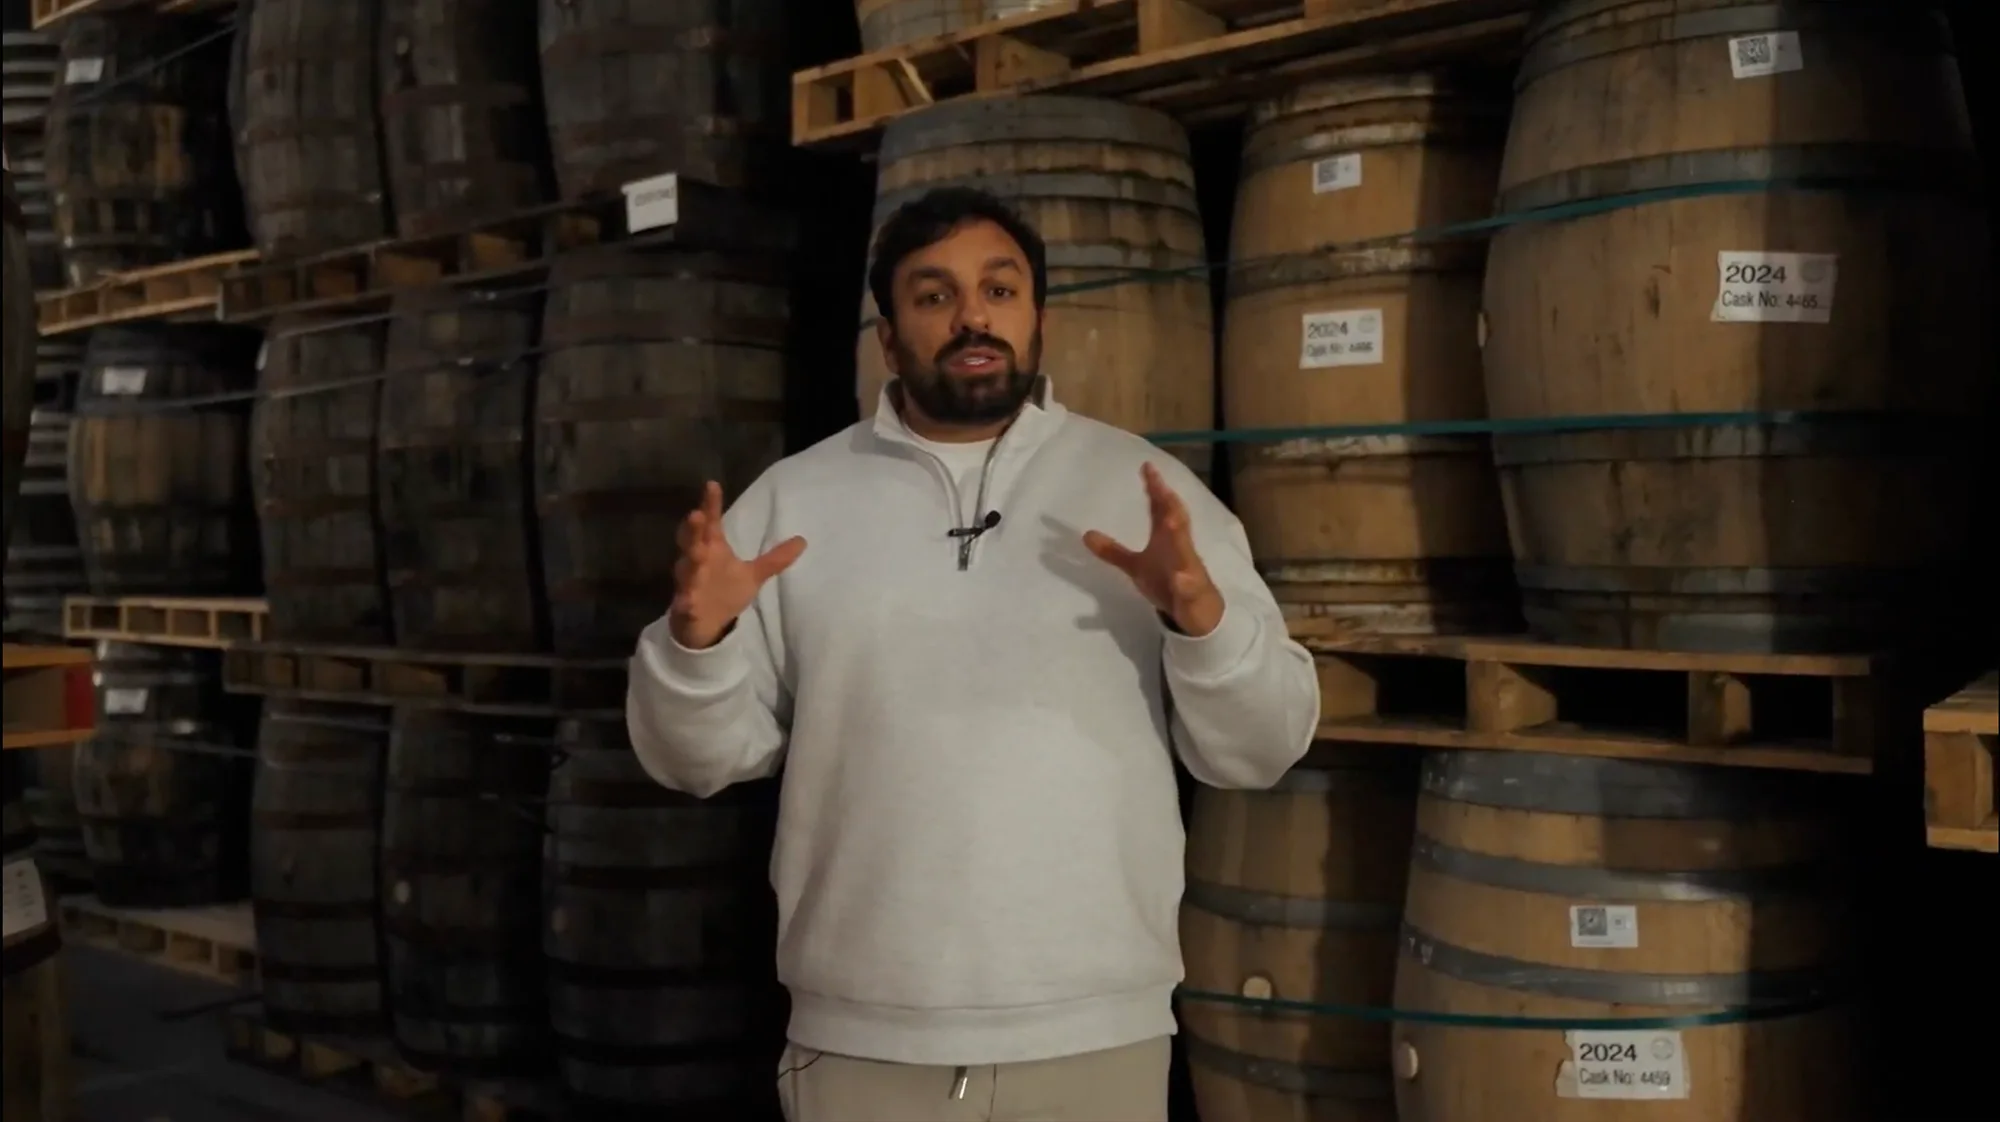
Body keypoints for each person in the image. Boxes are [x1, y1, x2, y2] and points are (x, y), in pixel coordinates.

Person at [626, 185, 1321, 1122]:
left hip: (1094, 1036)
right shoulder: (791, 504)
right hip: (861, 1040)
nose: (972, 317)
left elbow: (1263, 748)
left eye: (999, 290)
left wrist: (1205, 624)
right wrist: (696, 643)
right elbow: (692, 762)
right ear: (887, 339)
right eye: (934, 295)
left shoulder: (1146, 493)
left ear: (1039, 321)